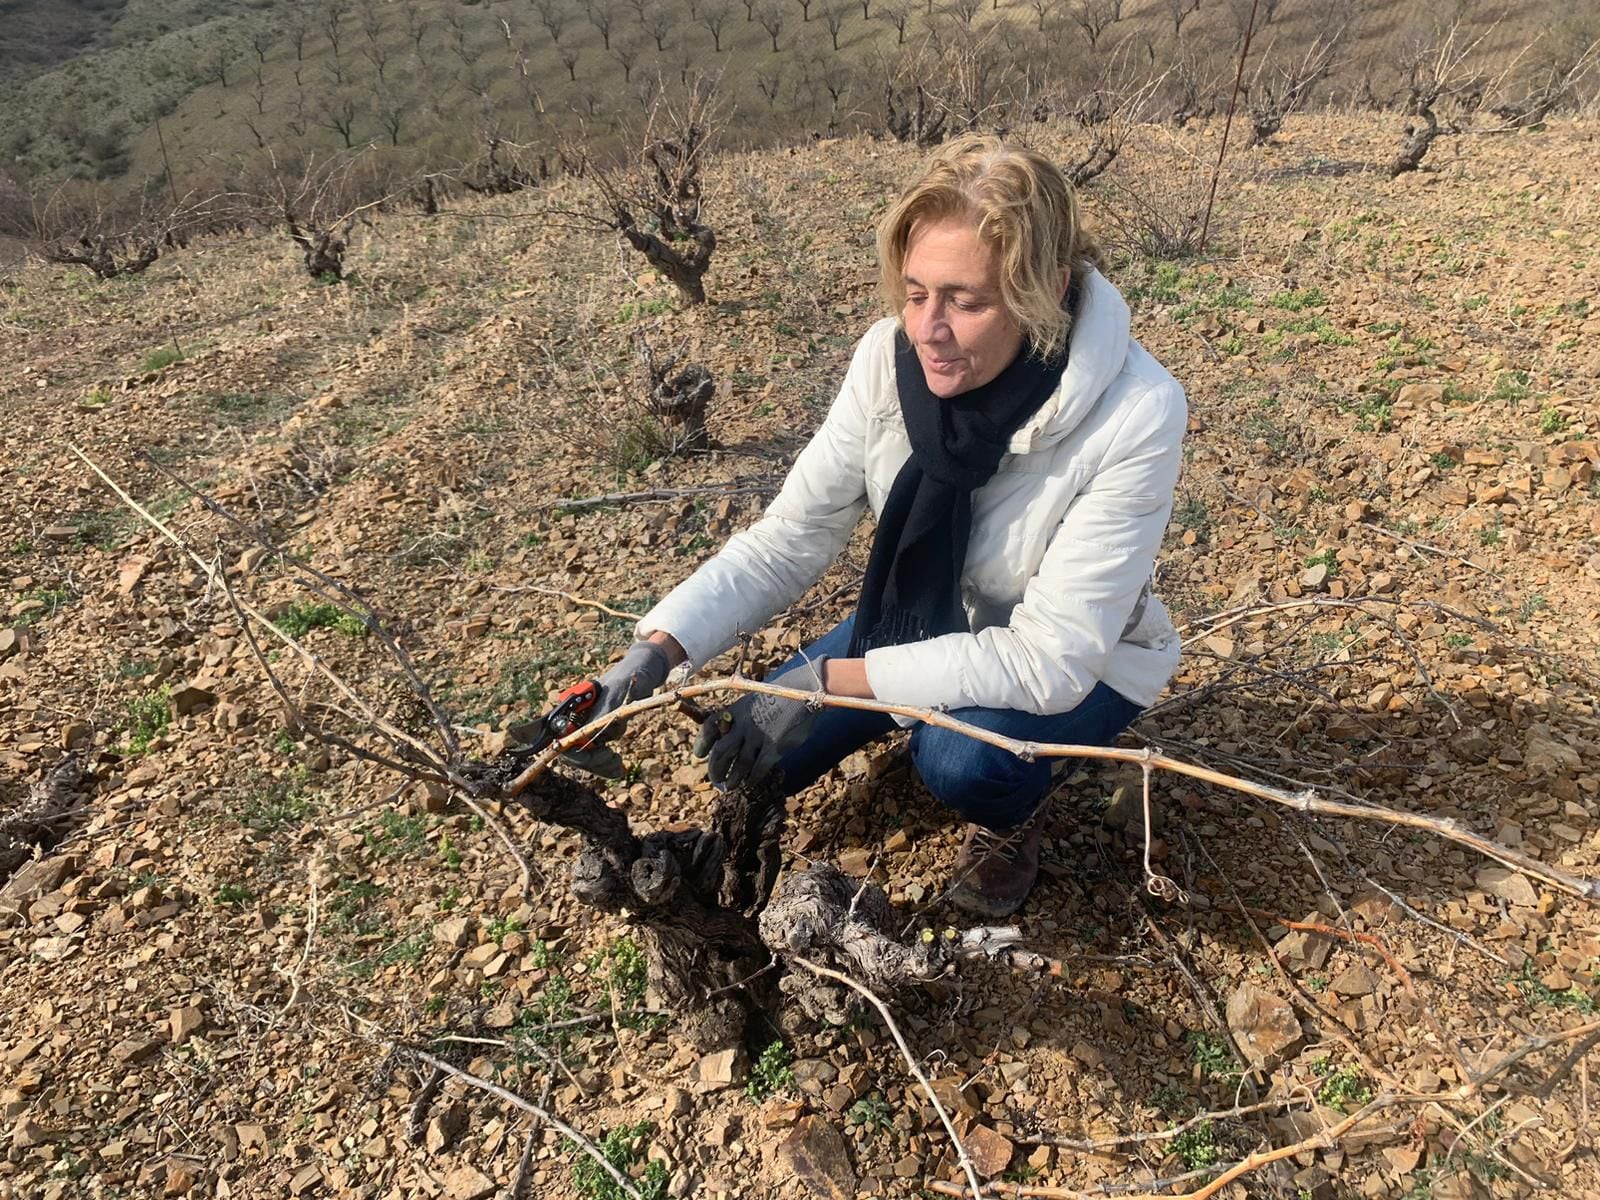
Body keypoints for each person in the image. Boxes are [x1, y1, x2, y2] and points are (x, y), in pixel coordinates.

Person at [571, 134, 1187, 919]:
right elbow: (791, 533)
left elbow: (1050, 661)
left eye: (966, 301)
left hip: (1081, 663)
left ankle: (1017, 813)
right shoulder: (887, 361)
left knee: (962, 758)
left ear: (1046, 291)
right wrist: (654, 652)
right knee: (749, 759)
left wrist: (828, 681)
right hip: (919, 622)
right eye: (915, 290)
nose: (928, 328)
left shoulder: (1136, 411)